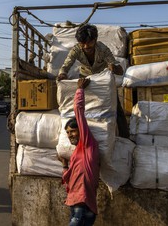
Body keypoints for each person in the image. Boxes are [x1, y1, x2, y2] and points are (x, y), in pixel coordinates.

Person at [57, 23, 129, 138]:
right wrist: (62, 74)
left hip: (103, 82)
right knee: (84, 108)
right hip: (86, 82)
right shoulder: (76, 50)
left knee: (117, 109)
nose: (86, 46)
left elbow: (119, 69)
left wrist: (114, 68)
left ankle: (125, 137)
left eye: (89, 42)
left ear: (95, 40)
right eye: (82, 43)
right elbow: (66, 65)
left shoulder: (102, 49)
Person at [58, 78, 100, 226]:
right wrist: (64, 164)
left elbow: (79, 111)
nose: (70, 135)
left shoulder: (88, 144)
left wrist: (80, 90)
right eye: (68, 133)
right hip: (78, 201)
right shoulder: (76, 154)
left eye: (73, 131)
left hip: (83, 203)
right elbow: (69, 179)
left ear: (81, 131)